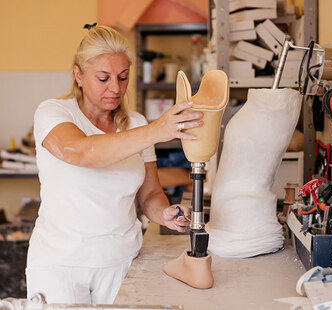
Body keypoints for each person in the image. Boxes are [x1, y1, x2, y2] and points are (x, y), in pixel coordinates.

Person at [26, 23, 203, 305]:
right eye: (103, 78)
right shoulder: (53, 113)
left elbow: (150, 194)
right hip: (61, 266)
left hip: (122, 262)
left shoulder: (135, 124)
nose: (115, 88)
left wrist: (164, 213)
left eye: (122, 77)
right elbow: (81, 152)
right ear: (78, 75)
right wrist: (158, 130)